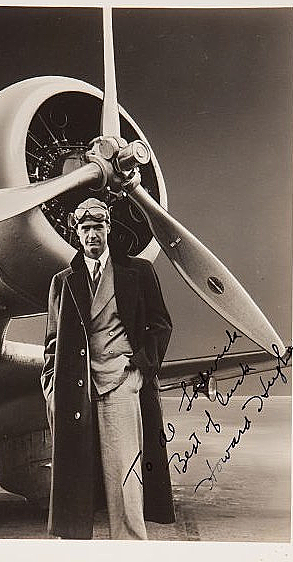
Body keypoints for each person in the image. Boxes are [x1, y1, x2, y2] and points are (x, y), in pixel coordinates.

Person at [41, 196, 175, 540]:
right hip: (78, 391)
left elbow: (160, 325)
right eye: (85, 228)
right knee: (75, 480)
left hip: (121, 384)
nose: (92, 234)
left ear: (108, 228)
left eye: (98, 226)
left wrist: (139, 370)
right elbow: (52, 344)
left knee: (125, 476)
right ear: (77, 232)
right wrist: (53, 390)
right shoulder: (63, 282)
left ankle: (129, 547)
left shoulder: (139, 271)